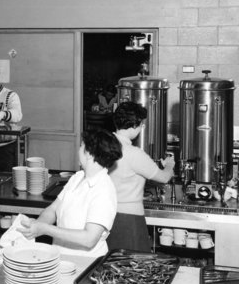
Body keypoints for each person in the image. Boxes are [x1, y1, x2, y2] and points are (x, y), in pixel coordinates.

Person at [18, 129, 122, 257]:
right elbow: (53, 209)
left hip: (86, 264)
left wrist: (45, 229)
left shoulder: (104, 190)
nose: (78, 151)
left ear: (89, 153)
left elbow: (89, 238)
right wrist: (36, 226)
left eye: (81, 146)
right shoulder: (77, 178)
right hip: (59, 257)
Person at [108, 102, 175, 252]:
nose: (141, 128)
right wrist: (169, 164)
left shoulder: (104, 145)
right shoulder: (134, 153)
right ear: (133, 126)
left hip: (105, 214)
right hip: (128, 219)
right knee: (133, 265)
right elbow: (164, 178)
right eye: (141, 125)